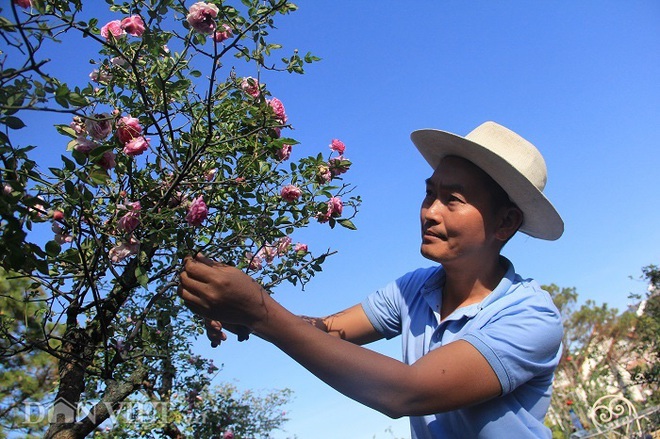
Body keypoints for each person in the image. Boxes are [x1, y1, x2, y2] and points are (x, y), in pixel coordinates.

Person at [179, 121, 565, 439]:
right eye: (429, 194)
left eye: (453, 200)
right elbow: (326, 332)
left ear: (506, 222)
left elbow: (406, 393)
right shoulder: (416, 290)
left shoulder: (530, 316)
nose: (429, 212)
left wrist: (260, 312)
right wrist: (242, 312)